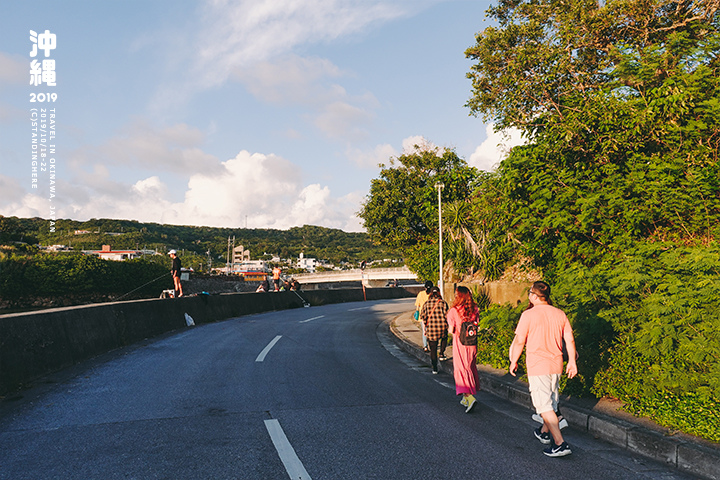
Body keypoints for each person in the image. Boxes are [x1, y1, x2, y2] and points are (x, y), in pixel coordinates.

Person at [509, 281, 578, 457]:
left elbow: (519, 341)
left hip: (538, 365)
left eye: (530, 293)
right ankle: (543, 432)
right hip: (556, 365)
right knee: (552, 403)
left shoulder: (528, 315)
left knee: (543, 406)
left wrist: (513, 360)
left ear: (534, 295)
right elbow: (569, 339)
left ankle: (560, 444)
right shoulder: (560, 313)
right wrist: (571, 361)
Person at [446, 285, 480, 413]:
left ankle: (469, 396)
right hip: (472, 343)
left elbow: (451, 330)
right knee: (470, 367)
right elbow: (477, 324)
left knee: (461, 369)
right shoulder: (474, 308)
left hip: (460, 344)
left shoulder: (454, 310)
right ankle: (466, 398)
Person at [419, 286, 448, 374]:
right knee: (444, 338)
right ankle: (442, 353)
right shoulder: (443, 303)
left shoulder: (426, 303)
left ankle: (435, 368)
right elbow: (447, 315)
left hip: (431, 330)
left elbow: (422, 316)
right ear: (439, 293)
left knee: (433, 349)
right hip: (442, 328)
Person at [415, 280, 433, 352]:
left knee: (424, 331)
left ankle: (425, 346)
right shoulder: (433, 295)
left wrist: (417, 311)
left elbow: (417, 305)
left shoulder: (420, 294)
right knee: (431, 331)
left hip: (422, 316)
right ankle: (431, 344)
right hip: (431, 316)